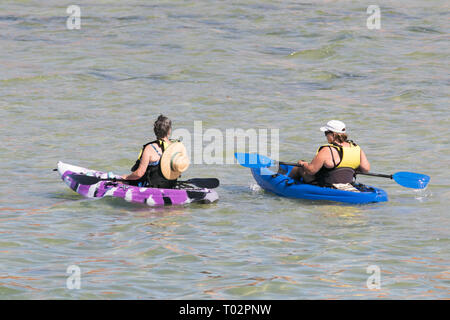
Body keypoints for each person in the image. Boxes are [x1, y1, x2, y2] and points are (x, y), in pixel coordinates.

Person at [289, 120, 370, 187]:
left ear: (333, 134)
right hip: (347, 184)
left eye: (326, 133)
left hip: (325, 185)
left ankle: (286, 183)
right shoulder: (357, 148)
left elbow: (311, 170)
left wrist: (303, 163)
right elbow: (365, 169)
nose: (325, 136)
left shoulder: (327, 150)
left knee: (299, 168)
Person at [122, 115, 190, 188]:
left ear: (155, 131)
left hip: (154, 189)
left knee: (123, 180)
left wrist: (126, 177)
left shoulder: (150, 148)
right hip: (171, 186)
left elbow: (139, 174)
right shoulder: (176, 147)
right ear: (169, 130)